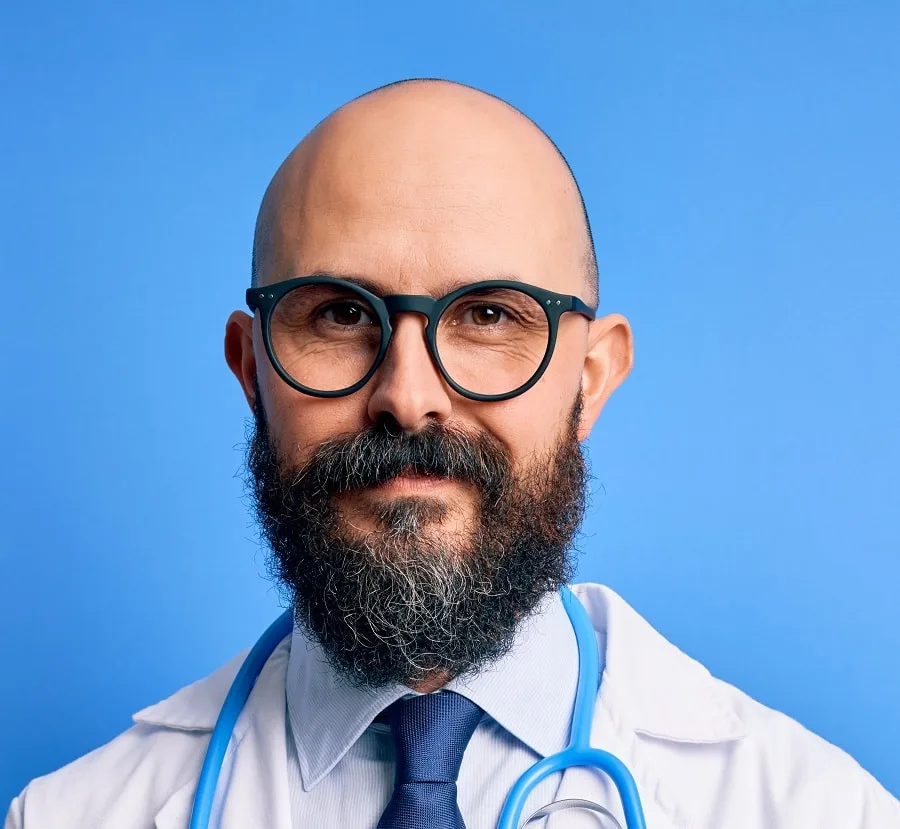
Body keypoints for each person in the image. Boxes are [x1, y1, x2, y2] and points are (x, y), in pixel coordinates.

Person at [6, 79, 898, 829]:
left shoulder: (817, 808)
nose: (407, 393)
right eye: (340, 313)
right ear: (251, 370)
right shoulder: (70, 814)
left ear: (591, 378)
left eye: (488, 315)